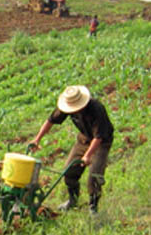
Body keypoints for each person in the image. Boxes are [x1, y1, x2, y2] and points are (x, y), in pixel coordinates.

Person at [28, 85, 114, 214]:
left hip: (101, 142)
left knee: (94, 176)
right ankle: (72, 201)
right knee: (69, 171)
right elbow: (51, 120)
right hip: (84, 139)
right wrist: (37, 139)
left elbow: (99, 136)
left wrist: (88, 155)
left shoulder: (96, 109)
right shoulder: (67, 106)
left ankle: (93, 208)